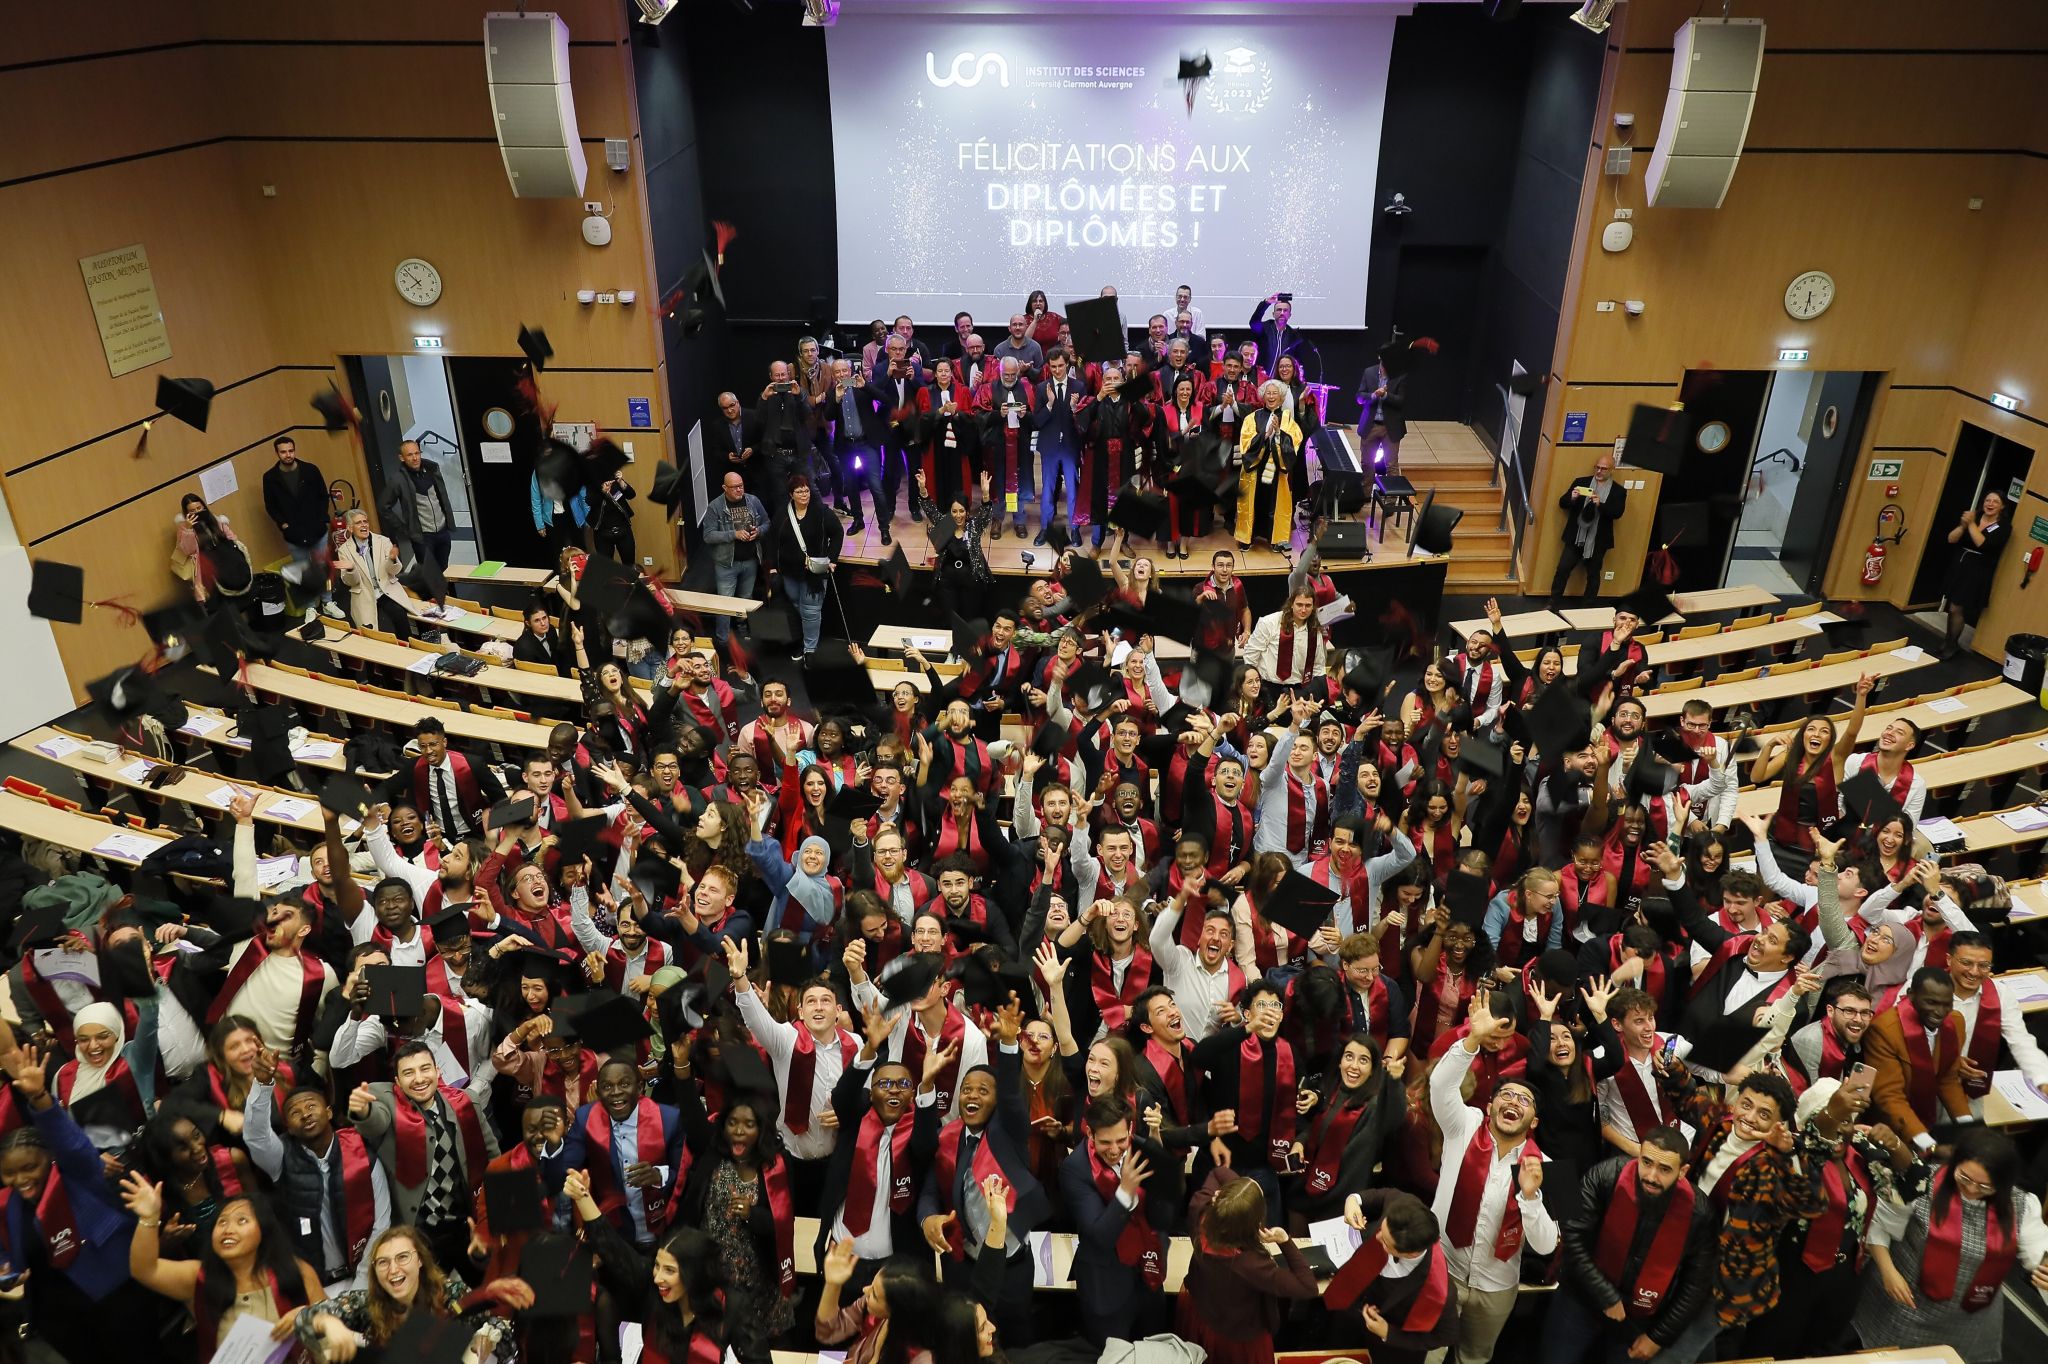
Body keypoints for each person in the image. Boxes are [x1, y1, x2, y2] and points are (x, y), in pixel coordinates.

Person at [1430, 998, 1557, 1364]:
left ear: (1533, 1121)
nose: (1513, 1100)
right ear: (1490, 1106)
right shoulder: (1463, 1125)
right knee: (1430, 1356)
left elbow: (1548, 1245)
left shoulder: (1547, 1167)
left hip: (1497, 1288)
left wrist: (1531, 1200)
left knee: (1475, 1358)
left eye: (1524, 1099)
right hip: (1444, 1270)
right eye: (1506, 1095)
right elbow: (1440, 1086)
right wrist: (1472, 1039)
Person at [1852, 1128, 2048, 1363]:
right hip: (1905, 1302)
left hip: (1966, 1315)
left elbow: (2039, 1249)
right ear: (1955, 1163)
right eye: (1965, 1178)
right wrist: (1888, 1272)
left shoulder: (2022, 1205)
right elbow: (1880, 1225)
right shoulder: (1921, 1182)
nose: (1973, 1190)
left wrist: (2045, 1268)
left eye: (1986, 1186)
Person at [1545, 1129, 1716, 1364]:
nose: (1651, 1176)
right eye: (1646, 1162)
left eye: (1665, 1169)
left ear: (1683, 1172)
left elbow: (1696, 1285)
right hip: (1580, 1300)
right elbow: (1573, 1240)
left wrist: (1658, 1337)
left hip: (1639, 1318)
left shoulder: (1699, 1213)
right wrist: (1607, 1296)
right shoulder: (1605, 1175)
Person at [1175, 1168, 1319, 1364]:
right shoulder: (1251, 1265)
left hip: (1202, 1311)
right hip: (1236, 1334)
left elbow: (1218, 1173)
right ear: (1253, 1223)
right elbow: (1307, 1286)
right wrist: (1285, 1240)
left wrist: (1239, 1194)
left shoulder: (1199, 1208)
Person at [262, 434, 338, 613]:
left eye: (291, 450)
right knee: (302, 572)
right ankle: (310, 607)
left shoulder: (310, 470)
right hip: (293, 533)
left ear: (294, 450)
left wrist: (322, 519)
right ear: (277, 453)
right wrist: (283, 524)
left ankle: (328, 602)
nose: (288, 455)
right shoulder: (270, 477)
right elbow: (270, 506)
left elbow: (322, 496)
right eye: (283, 452)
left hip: (317, 529)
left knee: (323, 568)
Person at [771, 475, 842, 662]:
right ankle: (802, 642)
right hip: (789, 572)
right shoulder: (782, 514)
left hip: (814, 575)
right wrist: (772, 567)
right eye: (799, 491)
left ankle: (810, 649)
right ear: (791, 494)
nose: (804, 494)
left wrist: (832, 559)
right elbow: (772, 541)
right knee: (797, 607)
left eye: (806, 490)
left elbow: (837, 534)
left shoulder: (822, 513)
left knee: (811, 611)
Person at [1938, 488, 2010, 657]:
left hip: (1977, 570)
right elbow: (1951, 538)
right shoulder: (1975, 516)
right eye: (1987, 500)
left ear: (2002, 507)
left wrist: (1970, 524)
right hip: (1960, 565)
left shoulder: (2004, 527)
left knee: (1957, 607)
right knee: (1952, 604)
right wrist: (1963, 526)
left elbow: (1982, 544)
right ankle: (1948, 641)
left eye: (1995, 502)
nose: (1990, 504)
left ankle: (1951, 644)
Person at [699, 471, 769, 646]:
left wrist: (758, 531)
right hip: (726, 563)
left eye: (741, 485)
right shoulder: (715, 506)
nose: (739, 490)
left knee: (746, 598)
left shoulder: (753, 501)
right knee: (725, 602)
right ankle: (722, 638)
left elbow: (767, 523)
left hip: (751, 560)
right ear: (724, 488)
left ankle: (743, 629)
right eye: (734, 487)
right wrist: (734, 534)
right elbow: (708, 536)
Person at [1552, 455, 1627, 604]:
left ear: (1612, 470)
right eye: (1597, 467)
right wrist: (1572, 498)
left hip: (1598, 540)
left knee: (1593, 574)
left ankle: (1587, 607)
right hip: (1576, 537)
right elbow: (1562, 503)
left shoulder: (1618, 491)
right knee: (1562, 569)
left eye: (1603, 469)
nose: (1599, 471)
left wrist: (1601, 504)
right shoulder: (1581, 482)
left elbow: (1617, 513)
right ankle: (1553, 602)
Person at [1235, 380, 1299, 549]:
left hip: (1277, 471)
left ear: (1281, 397)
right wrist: (1264, 435)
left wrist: (1278, 434)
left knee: (1274, 505)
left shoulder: (1288, 420)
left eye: (1274, 393)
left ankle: (1276, 539)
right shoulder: (1252, 418)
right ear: (1263, 396)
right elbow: (1246, 443)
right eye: (1268, 393)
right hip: (1256, 468)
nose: (1271, 397)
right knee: (1253, 504)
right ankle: (1247, 537)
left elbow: (1294, 445)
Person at [378, 439, 456, 574]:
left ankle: (446, 594)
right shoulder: (398, 480)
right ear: (401, 458)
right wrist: (405, 528)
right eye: (410, 455)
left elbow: (441, 496)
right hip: (423, 537)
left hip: (442, 531)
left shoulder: (433, 470)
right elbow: (383, 507)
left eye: (417, 453)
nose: (415, 458)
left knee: (444, 570)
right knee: (429, 575)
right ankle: (431, 595)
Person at [334, 506, 411, 636]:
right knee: (368, 631)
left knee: (399, 614)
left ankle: (408, 647)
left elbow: (394, 571)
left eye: (365, 521)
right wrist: (351, 569)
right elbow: (350, 582)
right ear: (350, 528)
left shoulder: (383, 541)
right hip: (364, 594)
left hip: (386, 590)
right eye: (358, 523)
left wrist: (392, 560)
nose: (364, 525)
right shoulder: (344, 550)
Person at [171, 492, 253, 609]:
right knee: (221, 604)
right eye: (192, 511)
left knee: (240, 589)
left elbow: (230, 537)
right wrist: (189, 530)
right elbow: (188, 550)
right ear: (186, 513)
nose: (197, 512)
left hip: (227, 561)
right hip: (208, 568)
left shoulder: (215, 519)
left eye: (199, 508)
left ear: (204, 506)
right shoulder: (184, 528)